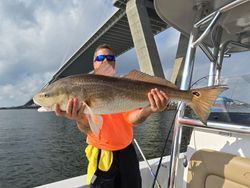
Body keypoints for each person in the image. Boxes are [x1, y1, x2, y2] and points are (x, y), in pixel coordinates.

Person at [55, 44, 169, 188]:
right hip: (102, 155)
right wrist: (78, 117)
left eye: (110, 57)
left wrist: (150, 109)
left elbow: (132, 119)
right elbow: (88, 130)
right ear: (94, 63)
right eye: (100, 58)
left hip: (127, 152)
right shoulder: (82, 89)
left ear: (115, 62)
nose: (105, 61)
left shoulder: (125, 86)